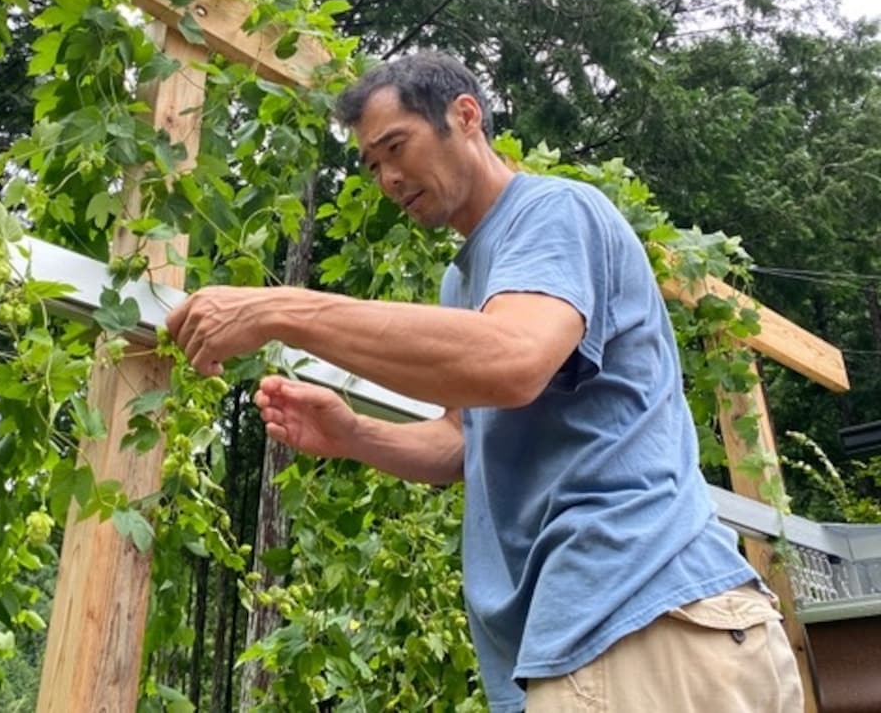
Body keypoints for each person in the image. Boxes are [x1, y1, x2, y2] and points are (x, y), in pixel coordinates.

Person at [164, 51, 803, 712]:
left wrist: (279, 309)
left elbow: (514, 361)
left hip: (642, 616)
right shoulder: (464, 280)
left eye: (395, 146)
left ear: (465, 116)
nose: (386, 177)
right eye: (371, 163)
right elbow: (464, 444)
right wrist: (355, 435)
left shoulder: (553, 212)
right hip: (610, 633)